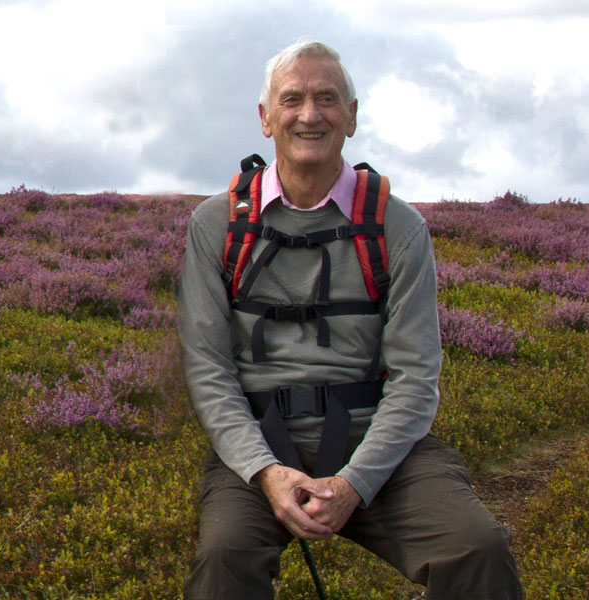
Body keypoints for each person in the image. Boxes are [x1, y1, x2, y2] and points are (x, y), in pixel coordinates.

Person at [177, 38, 522, 599]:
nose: (309, 115)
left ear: (352, 117)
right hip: (259, 445)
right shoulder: (214, 225)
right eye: (292, 100)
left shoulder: (399, 228)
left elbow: (415, 380)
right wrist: (266, 472)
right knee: (223, 563)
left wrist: (355, 484)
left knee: (476, 548)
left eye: (327, 99)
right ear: (265, 119)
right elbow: (208, 370)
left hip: (376, 444)